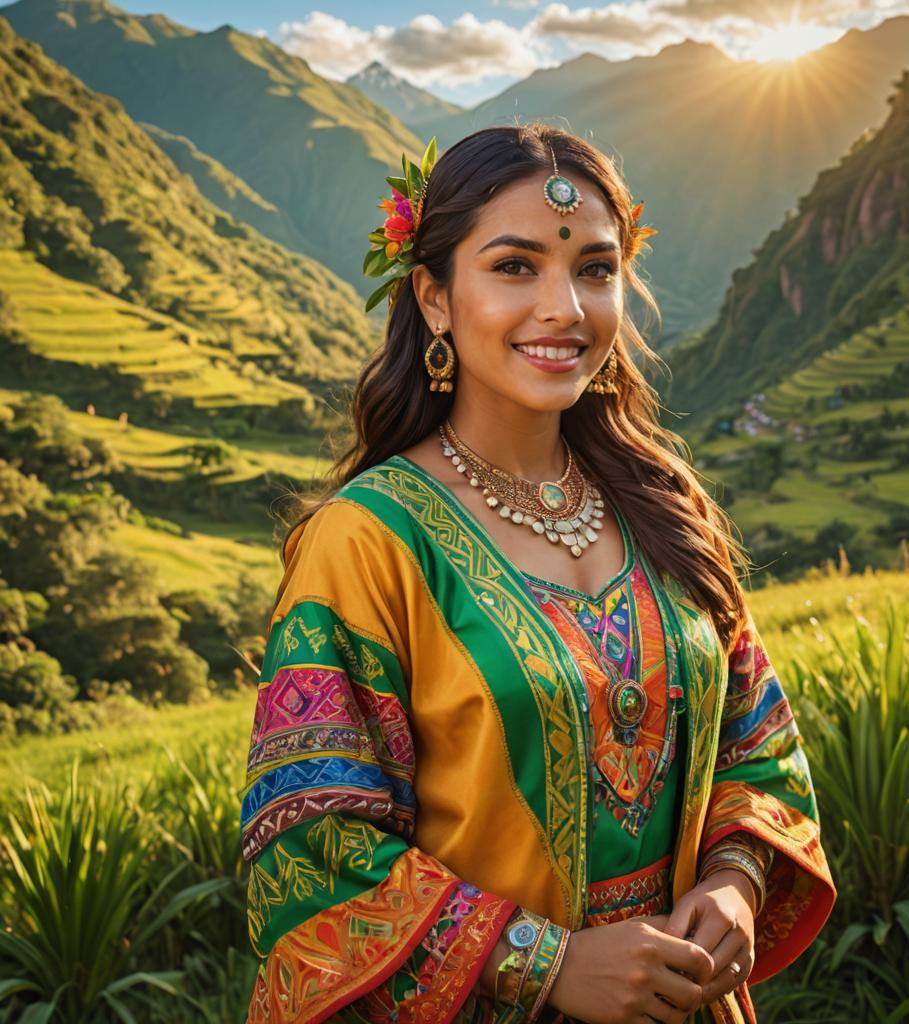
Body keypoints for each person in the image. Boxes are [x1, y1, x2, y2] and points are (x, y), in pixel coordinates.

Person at [241, 123, 836, 1024]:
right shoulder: (368, 543)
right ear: (434, 297)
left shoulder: (662, 508)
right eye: (515, 266)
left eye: (595, 270)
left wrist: (737, 881)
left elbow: (757, 745)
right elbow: (309, 845)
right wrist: (546, 963)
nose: (564, 307)